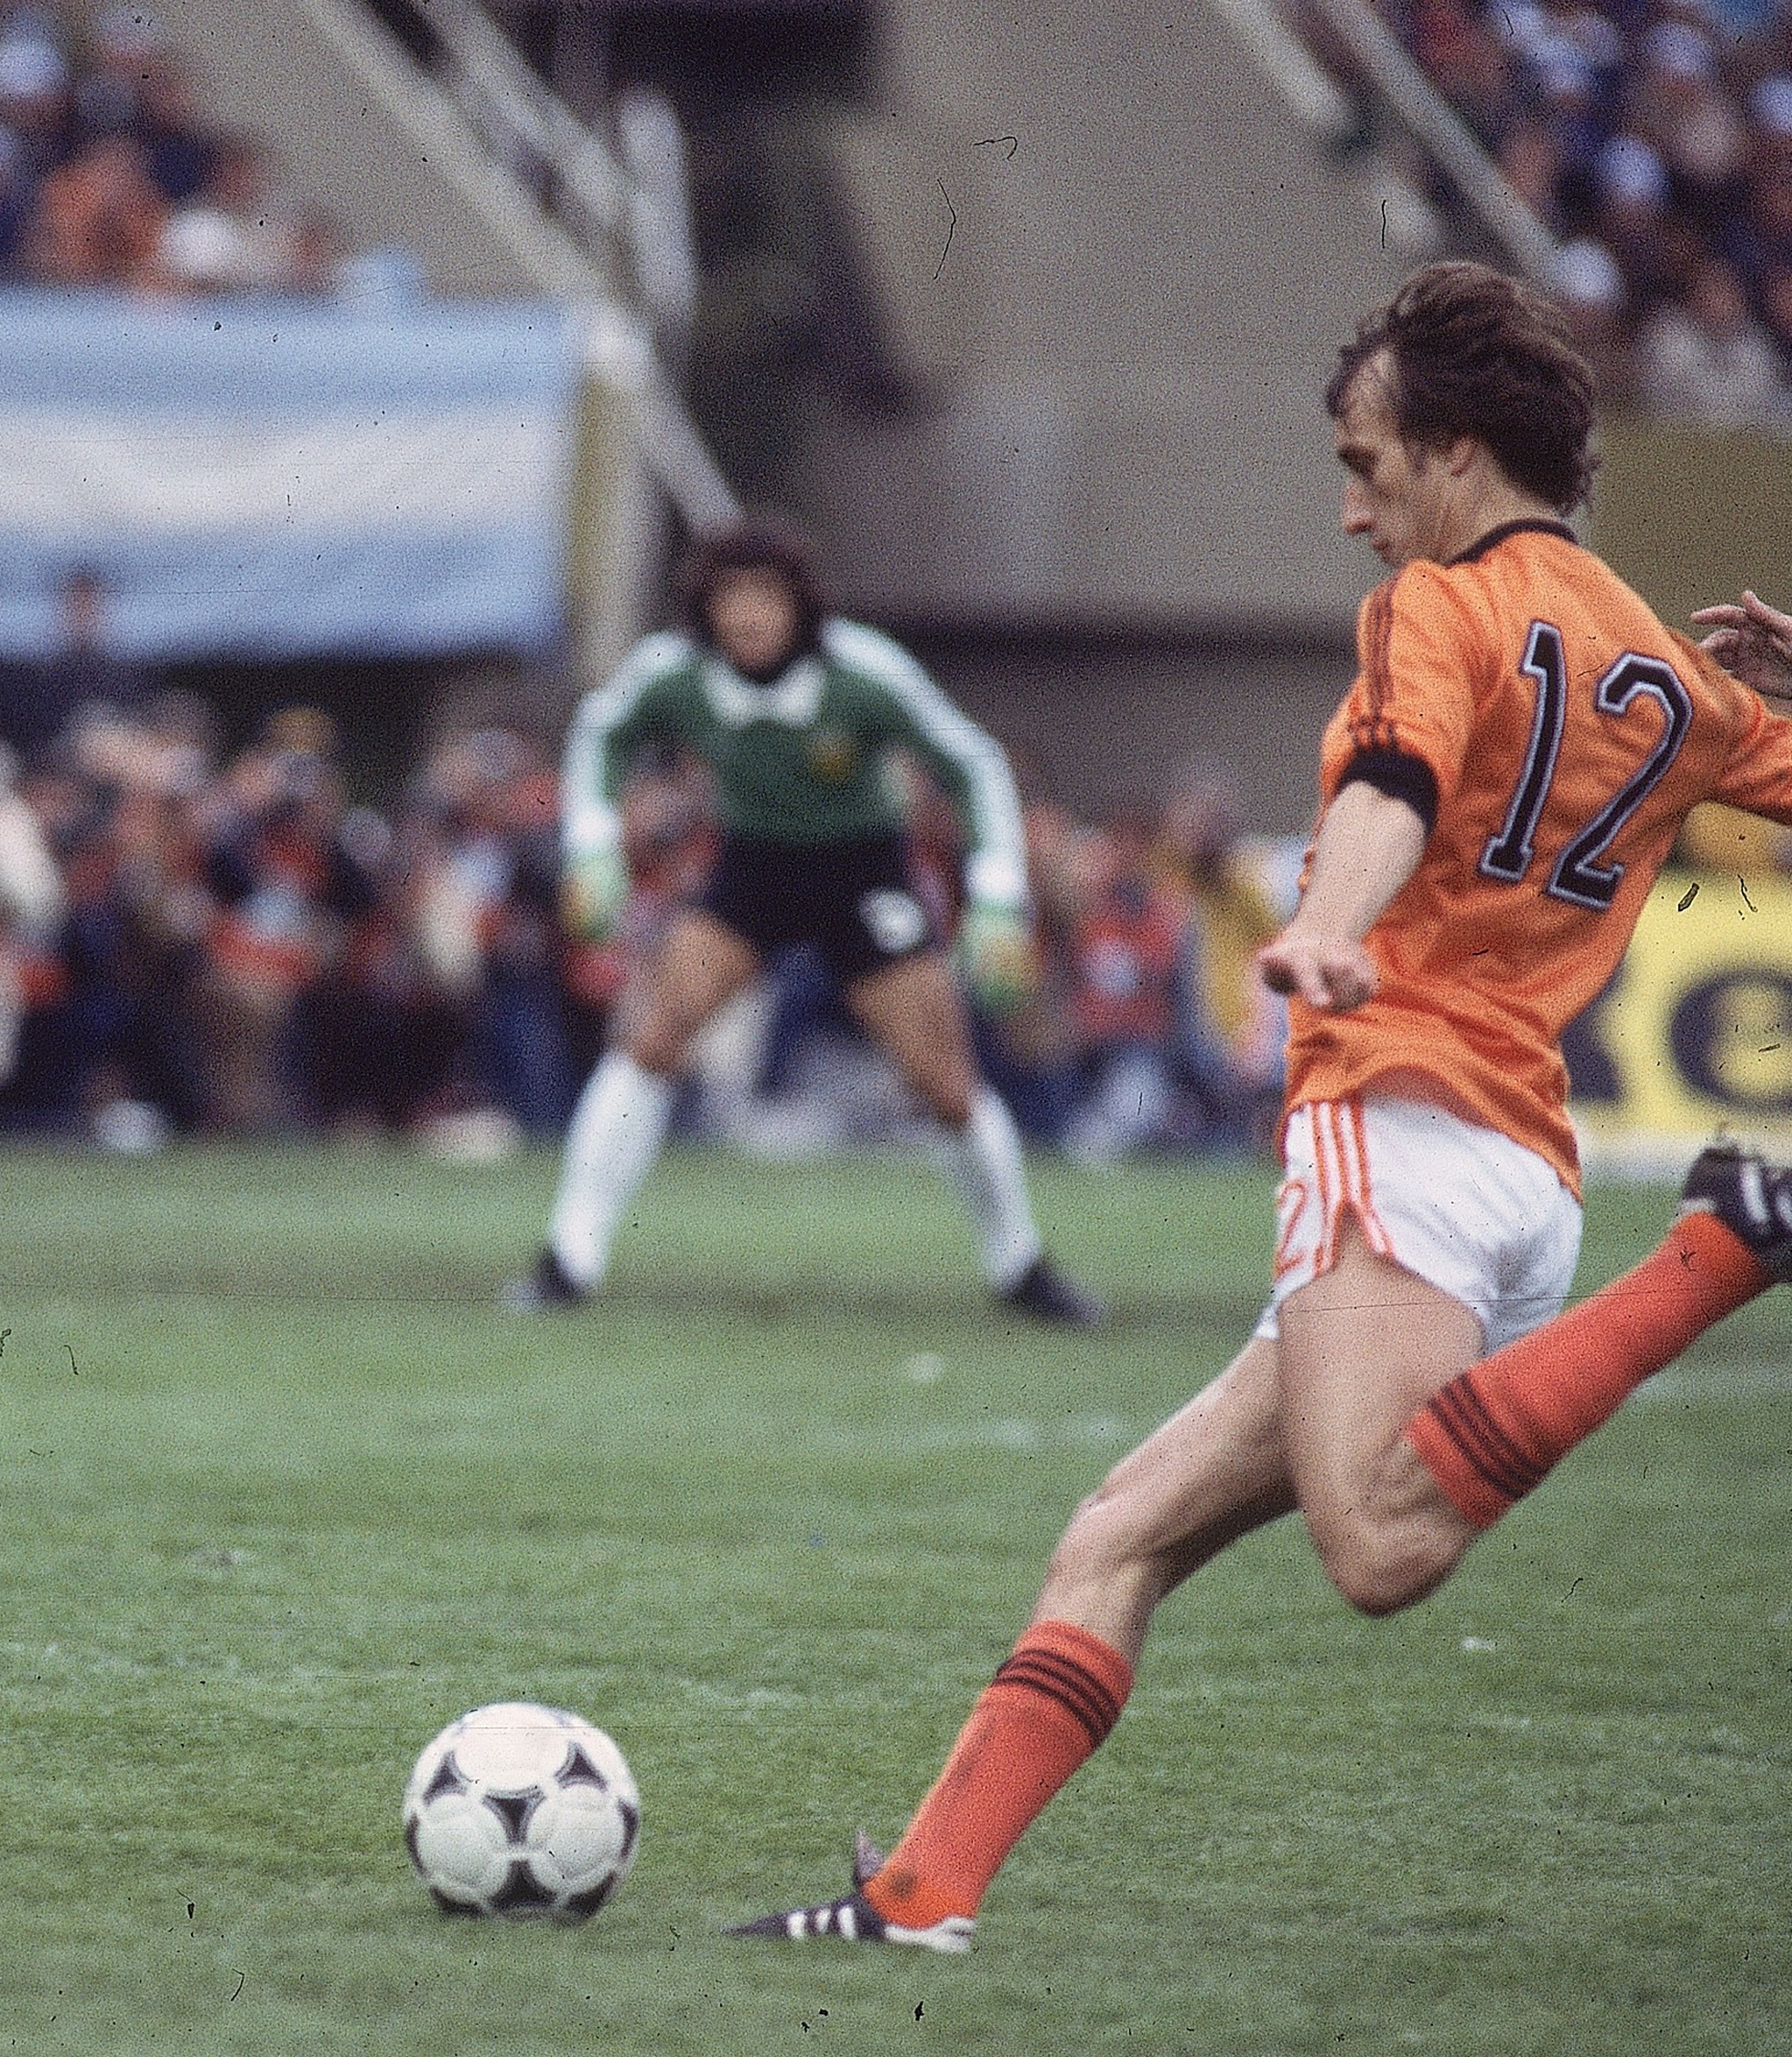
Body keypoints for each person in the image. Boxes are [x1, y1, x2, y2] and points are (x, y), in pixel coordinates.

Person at [729, 261, 1792, 1955]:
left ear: (1454, 454)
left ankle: (1720, 1255)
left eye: (1367, 465)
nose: (1353, 511)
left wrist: (1324, 923)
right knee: (1118, 1534)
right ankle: (918, 1900)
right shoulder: (1665, 667)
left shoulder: (1439, 609)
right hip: (1509, 1167)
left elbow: (1393, 776)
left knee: (1375, 1541)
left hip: (1399, 1117)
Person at [505, 519, 1101, 1325]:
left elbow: (970, 760)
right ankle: (567, 1259)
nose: (747, 615)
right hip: (750, 866)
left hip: (861, 872)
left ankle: (1019, 1263)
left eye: (765, 596)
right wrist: (591, 849)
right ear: (704, 609)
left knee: (944, 1083)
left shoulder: (861, 671)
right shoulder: (673, 674)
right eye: (728, 597)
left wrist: (996, 896)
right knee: (651, 1036)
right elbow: (601, 731)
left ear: (800, 606)